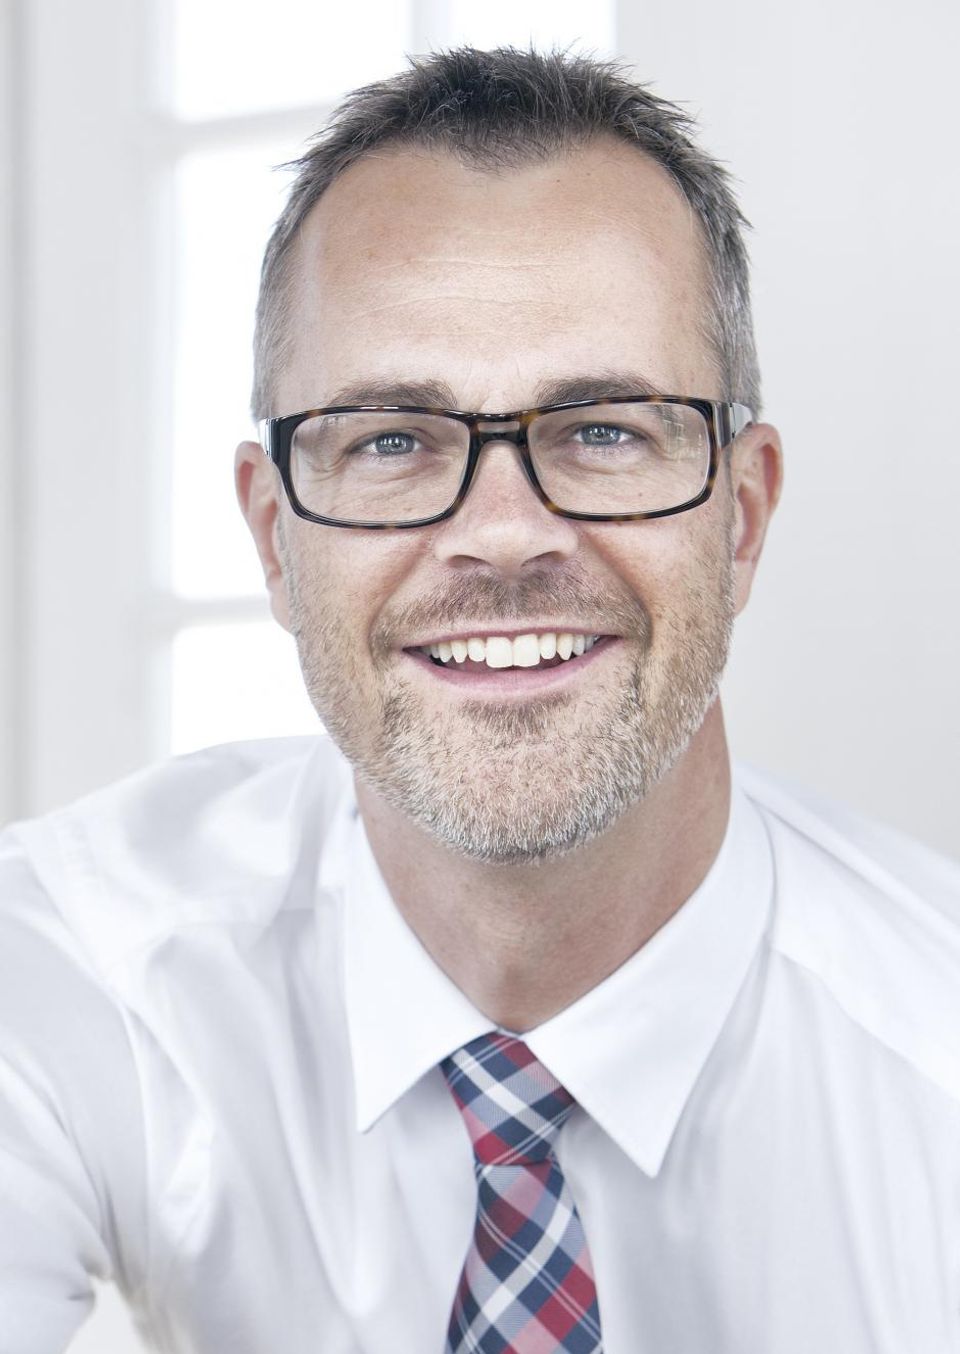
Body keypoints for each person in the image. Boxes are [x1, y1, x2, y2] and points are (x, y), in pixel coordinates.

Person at [1, 45, 959, 1354]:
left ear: (741, 517)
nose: (503, 535)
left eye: (604, 429)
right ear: (275, 539)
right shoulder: (80, 966)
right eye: (392, 440)